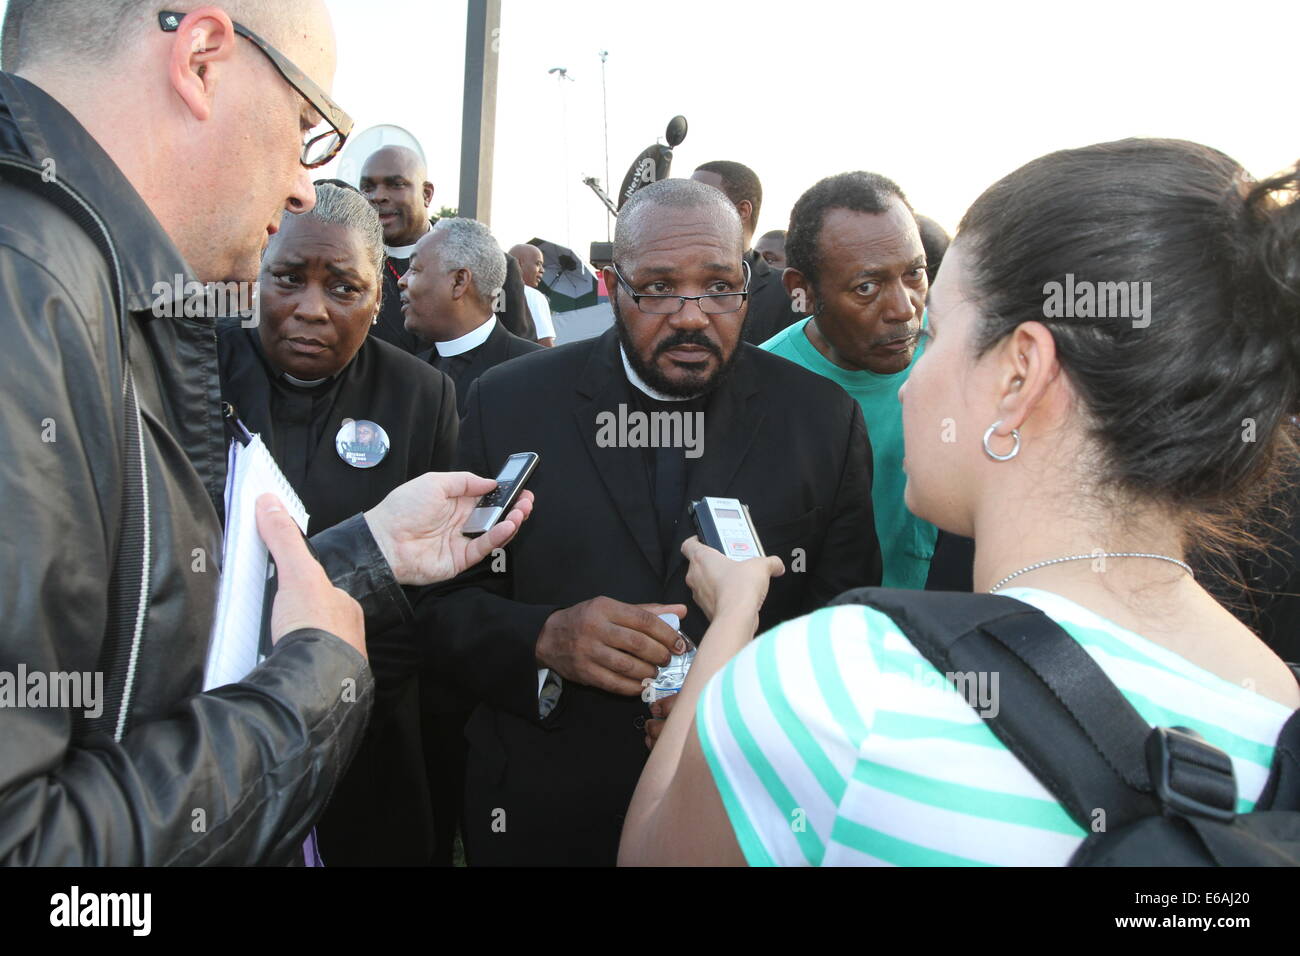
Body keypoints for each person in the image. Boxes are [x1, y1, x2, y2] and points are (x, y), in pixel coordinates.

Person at [620, 139, 1300, 866]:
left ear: (1019, 374)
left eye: (937, 330)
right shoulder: (1272, 694)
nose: (910, 374)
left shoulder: (849, 684)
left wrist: (733, 624)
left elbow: (650, 852)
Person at [0, 0, 529, 865]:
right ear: (203, 57)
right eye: (305, 127)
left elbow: (140, 665)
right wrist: (311, 684)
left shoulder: (86, 286)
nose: (298, 183)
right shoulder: (26, 292)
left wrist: (366, 557)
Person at [419, 177, 881, 866]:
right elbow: (438, 610)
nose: (692, 316)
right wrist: (543, 639)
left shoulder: (821, 422)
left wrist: (736, 700)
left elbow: (847, 627)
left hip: (743, 818)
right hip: (544, 818)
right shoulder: (507, 405)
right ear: (612, 285)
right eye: (658, 288)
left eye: (720, 286)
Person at [217, 182, 460, 864]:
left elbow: (431, 595)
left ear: (378, 299)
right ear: (258, 278)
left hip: (364, 729)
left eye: (344, 288)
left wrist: (337, 695)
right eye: (288, 279)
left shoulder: (421, 395)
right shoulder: (194, 369)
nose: (311, 310)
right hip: (212, 728)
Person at [762, 172, 938, 589]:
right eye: (866, 287)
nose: (903, 308)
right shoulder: (760, 388)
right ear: (801, 289)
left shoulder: (964, 355)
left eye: (914, 274)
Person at [406, 222, 544, 415]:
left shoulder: (538, 371)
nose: (401, 281)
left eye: (414, 270)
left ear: (459, 281)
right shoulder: (408, 373)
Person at [691, 160, 800, 345]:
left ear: (742, 211)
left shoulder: (788, 293)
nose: (683, 208)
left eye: (698, 200)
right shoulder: (661, 280)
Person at [359, 144, 437, 355]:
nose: (378, 196)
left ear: (426, 194)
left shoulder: (481, 266)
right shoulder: (348, 267)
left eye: (395, 184)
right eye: (367, 187)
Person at [508, 241, 557, 346]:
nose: (542, 270)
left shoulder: (491, 292)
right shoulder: (533, 296)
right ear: (519, 263)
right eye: (538, 264)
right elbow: (545, 344)